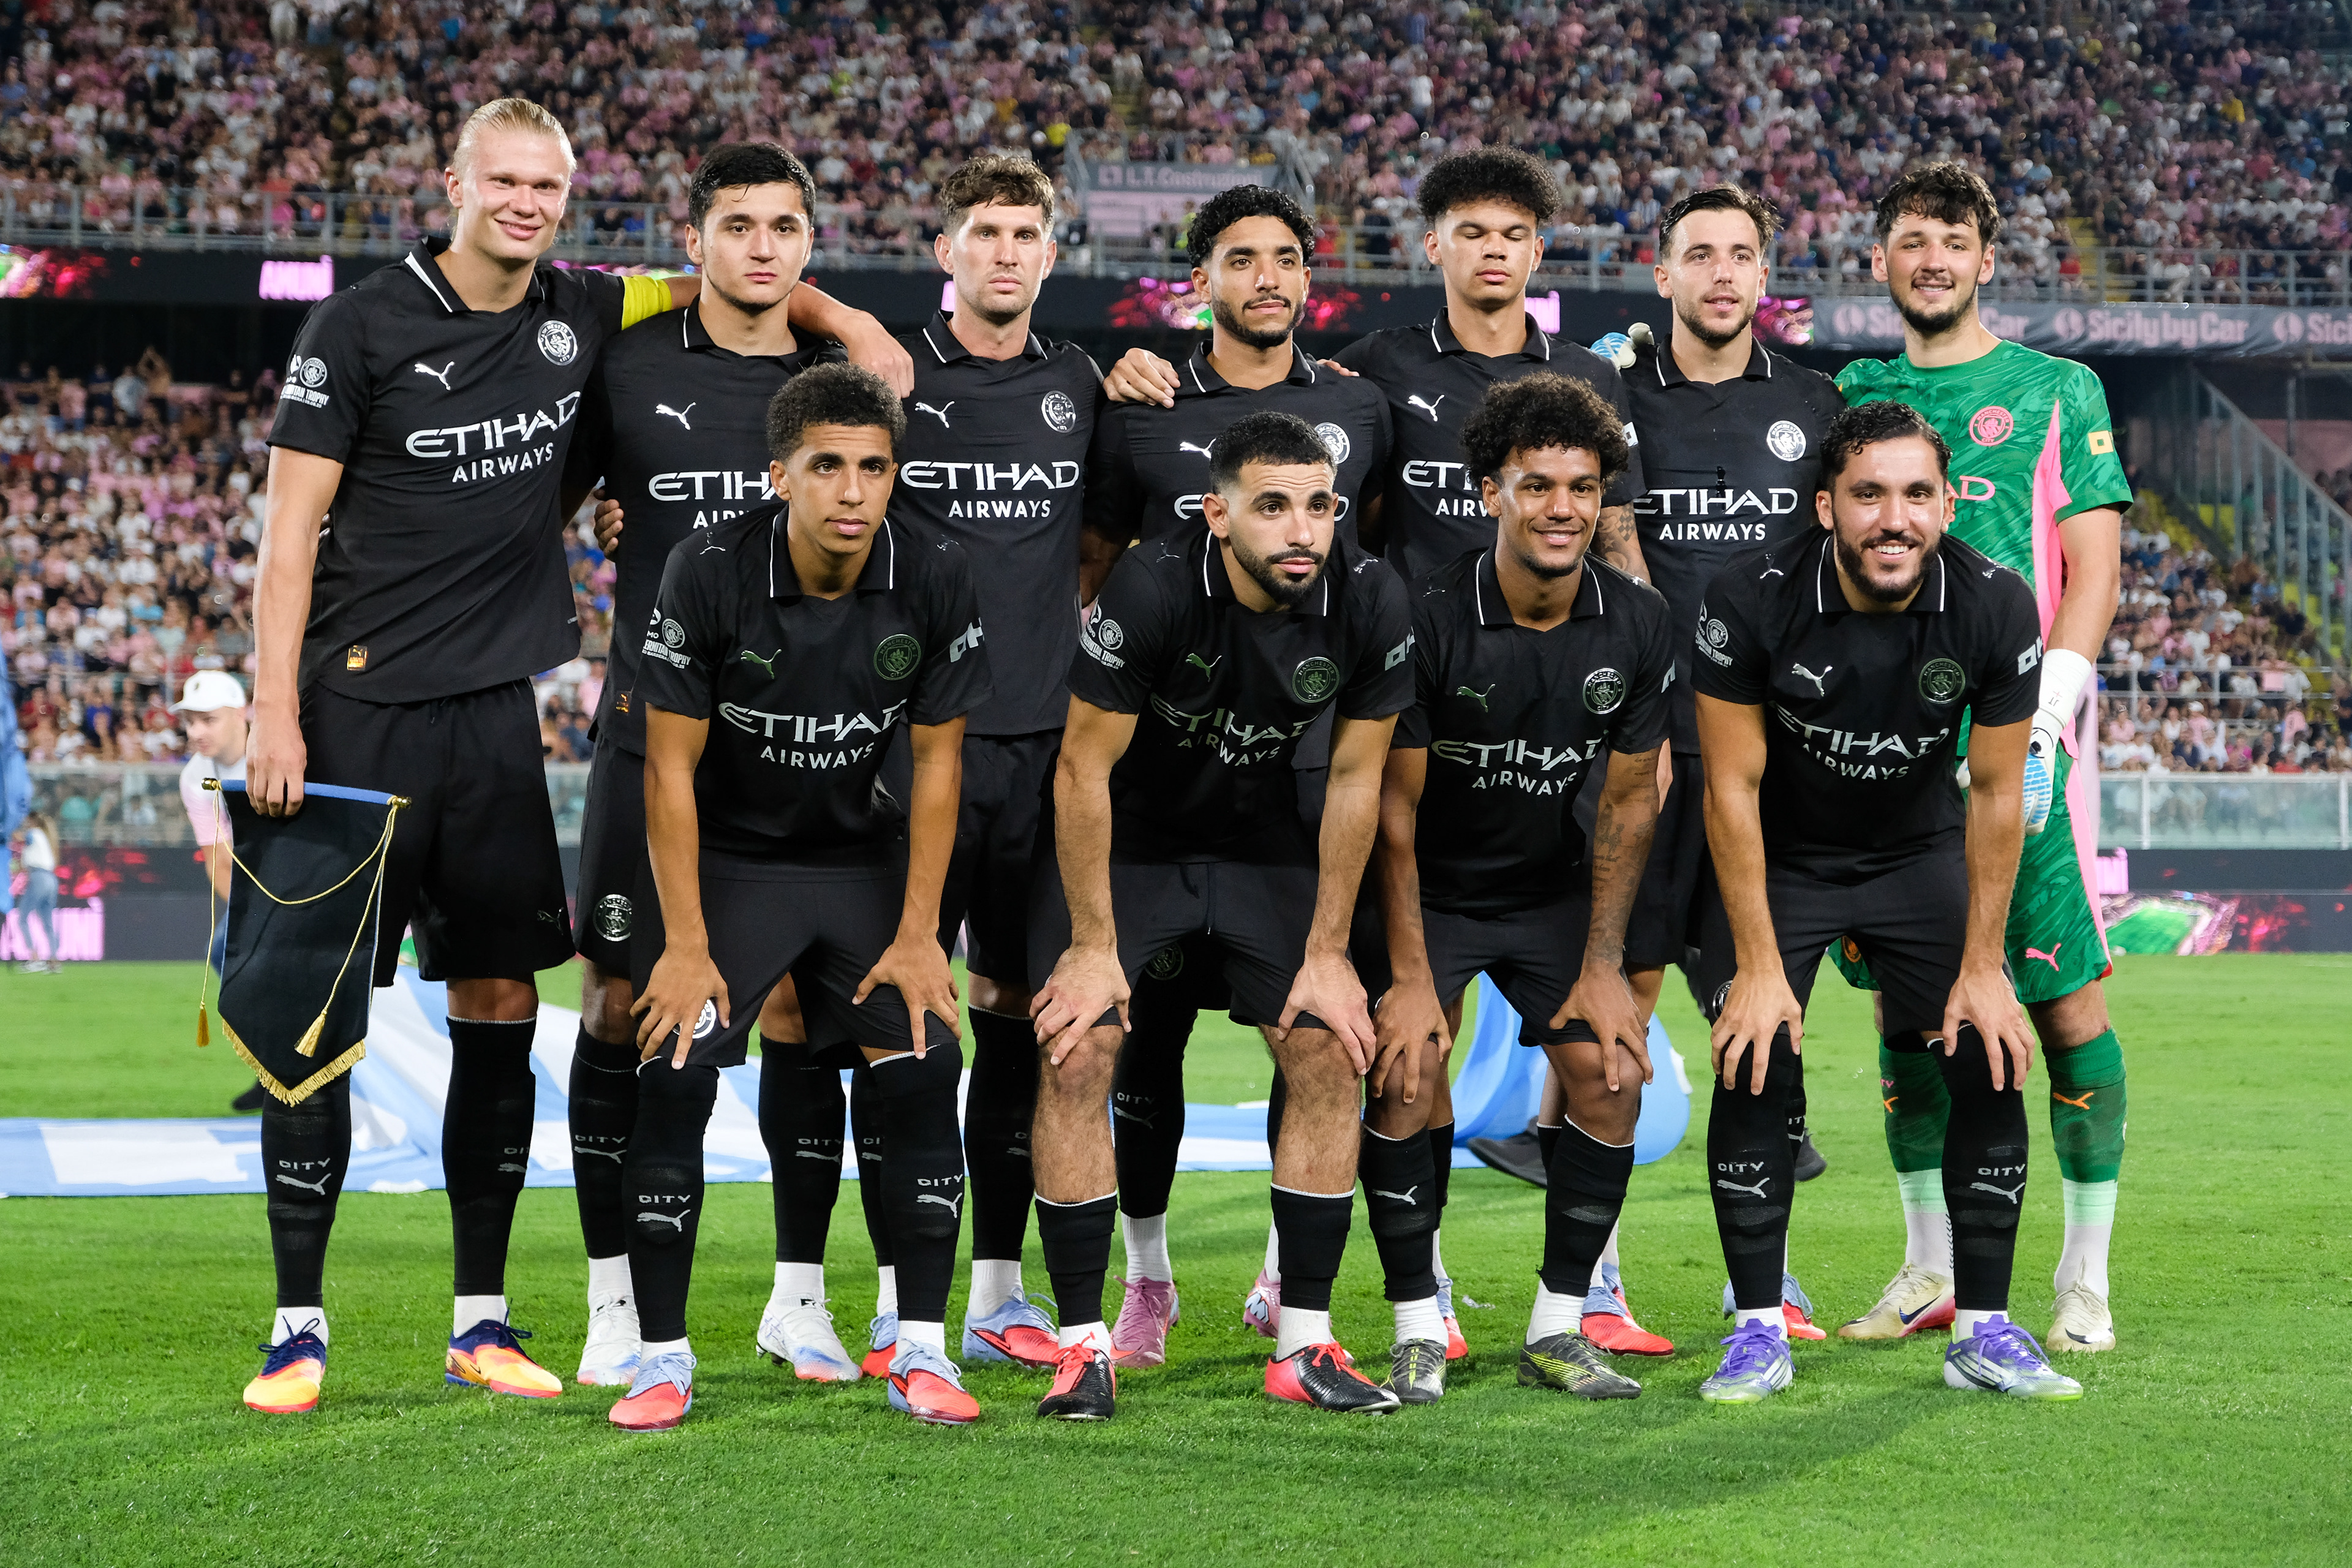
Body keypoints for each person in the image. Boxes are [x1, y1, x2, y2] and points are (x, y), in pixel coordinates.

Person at [611, 362, 992, 1431]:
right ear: (780, 475)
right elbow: (668, 772)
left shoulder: (937, 571)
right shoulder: (708, 567)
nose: (854, 491)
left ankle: (918, 1347)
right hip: (732, 865)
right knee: (675, 1066)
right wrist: (685, 945)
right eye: (828, 467)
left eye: (874, 468)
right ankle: (660, 1357)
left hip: (862, 864)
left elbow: (940, 772)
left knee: (924, 1056)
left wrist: (924, 936)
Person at [1688, 399, 2080, 1404]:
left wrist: (1985, 969)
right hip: (1787, 857)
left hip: (1917, 853)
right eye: (1868, 495)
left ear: (1948, 505)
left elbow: (1996, 791)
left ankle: (1986, 1330)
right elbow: (1728, 786)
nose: (1892, 518)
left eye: (1916, 494)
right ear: (1827, 507)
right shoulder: (1750, 596)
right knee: (1754, 1055)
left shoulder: (1996, 606)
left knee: (1990, 1051)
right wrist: (1761, 970)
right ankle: (1756, 1328)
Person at [1027, 410, 1412, 1419]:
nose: (1301, 529)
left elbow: (1358, 784)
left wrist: (1328, 953)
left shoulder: (1370, 596)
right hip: (1134, 845)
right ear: (1217, 513)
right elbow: (1082, 768)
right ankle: (1081, 1347)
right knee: (1082, 1046)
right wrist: (1094, 946)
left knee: (1330, 1045)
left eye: (1320, 506)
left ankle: (1306, 1344)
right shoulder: (1154, 583)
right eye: (1272, 506)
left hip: (1258, 842)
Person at [1081, 185, 1393, 1365]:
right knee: (1144, 1038)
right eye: (1240, 260)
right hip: (1162, 782)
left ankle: (1282, 1276)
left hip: (1305, 783)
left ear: (1309, 280)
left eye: (1285, 260)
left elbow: (1374, 552)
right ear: (1199, 279)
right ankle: (1147, 1280)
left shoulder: (1357, 403)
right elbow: (1099, 563)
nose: (1266, 278)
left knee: (1303, 1026)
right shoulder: (1148, 404)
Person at [560, 140, 846, 1389]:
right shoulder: (627, 369)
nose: (763, 245)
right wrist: (603, 512)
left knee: (802, 1012)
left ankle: (799, 1297)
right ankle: (612, 1299)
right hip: (650, 741)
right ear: (697, 241)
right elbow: (546, 499)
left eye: (785, 225)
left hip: (799, 759)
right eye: (739, 224)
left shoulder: (837, 382)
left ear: (807, 245)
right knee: (622, 1006)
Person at [1834, 162, 2132, 1354]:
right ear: (1882, 262)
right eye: (1910, 240)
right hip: (1882, 766)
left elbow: (2095, 568)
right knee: (1911, 1024)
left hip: (2021, 750)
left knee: (2064, 1009)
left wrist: (2051, 718)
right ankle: (1929, 1265)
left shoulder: (2057, 389)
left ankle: (2083, 1278)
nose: (1932, 258)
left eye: (1952, 239)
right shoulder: (1854, 391)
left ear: (1986, 257)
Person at [840, 153, 1111, 1378]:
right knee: (905, 1014)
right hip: (914, 751)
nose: (1006, 251)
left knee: (1031, 1024)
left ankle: (1000, 1295)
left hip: (1047, 757)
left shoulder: (1082, 384)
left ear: (1051, 256)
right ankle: (907, 1309)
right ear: (944, 250)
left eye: (1026, 234)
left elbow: (1107, 535)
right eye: (985, 232)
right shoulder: (889, 380)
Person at [1362, 373, 1670, 1404]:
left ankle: (1557, 1323)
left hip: (1550, 893)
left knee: (1616, 1076)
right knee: (1406, 1071)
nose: (1562, 508)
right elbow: (1392, 815)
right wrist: (1410, 976)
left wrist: (1603, 967)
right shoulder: (1428, 613)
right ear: (1491, 490)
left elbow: (1630, 806)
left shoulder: (1637, 623)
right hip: (1430, 891)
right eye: (1536, 485)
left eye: (1582, 487)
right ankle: (1419, 1322)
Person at [172, 669, 259, 1110]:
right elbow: (218, 860)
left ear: (242, 714)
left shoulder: (276, 747)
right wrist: (257, 914)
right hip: (258, 886)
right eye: (190, 721)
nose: (196, 731)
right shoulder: (194, 777)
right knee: (229, 948)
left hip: (313, 873)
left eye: (208, 719)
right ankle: (271, 1063)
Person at [14, 809, 58, 973]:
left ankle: (34, 958)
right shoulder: (45, 836)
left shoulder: (34, 833)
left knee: (23, 918)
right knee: (48, 922)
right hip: (51, 879)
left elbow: (22, 838)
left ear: (31, 821)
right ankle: (54, 962)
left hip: (39, 878)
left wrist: (10, 829)